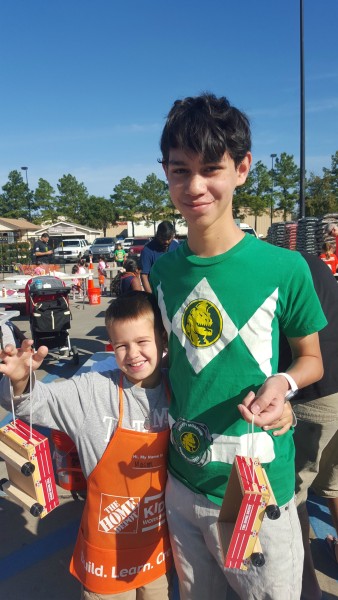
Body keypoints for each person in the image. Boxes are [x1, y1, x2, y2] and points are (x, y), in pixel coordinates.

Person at [149, 92, 326, 600]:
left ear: (243, 168)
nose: (195, 186)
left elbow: (311, 359)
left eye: (211, 169)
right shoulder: (163, 272)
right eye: (180, 170)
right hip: (182, 484)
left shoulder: (285, 268)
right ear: (165, 173)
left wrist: (284, 383)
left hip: (258, 486)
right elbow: (174, 365)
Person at [0, 291, 173, 600]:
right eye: (121, 345)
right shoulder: (94, 390)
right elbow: (35, 404)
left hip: (155, 553)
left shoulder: (179, 389)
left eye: (142, 342)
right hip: (103, 558)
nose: (132, 354)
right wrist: (19, 380)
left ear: (163, 338)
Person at [279, 252, 338, 600]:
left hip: (313, 396)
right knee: (333, 482)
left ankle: (305, 586)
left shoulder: (281, 271)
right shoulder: (315, 265)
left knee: (292, 494)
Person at [140, 222, 179, 293]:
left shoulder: (176, 247)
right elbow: (144, 275)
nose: (166, 241)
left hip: (175, 292)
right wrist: (151, 297)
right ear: (158, 235)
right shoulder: (147, 250)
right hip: (157, 293)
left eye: (169, 238)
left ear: (173, 235)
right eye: (163, 239)